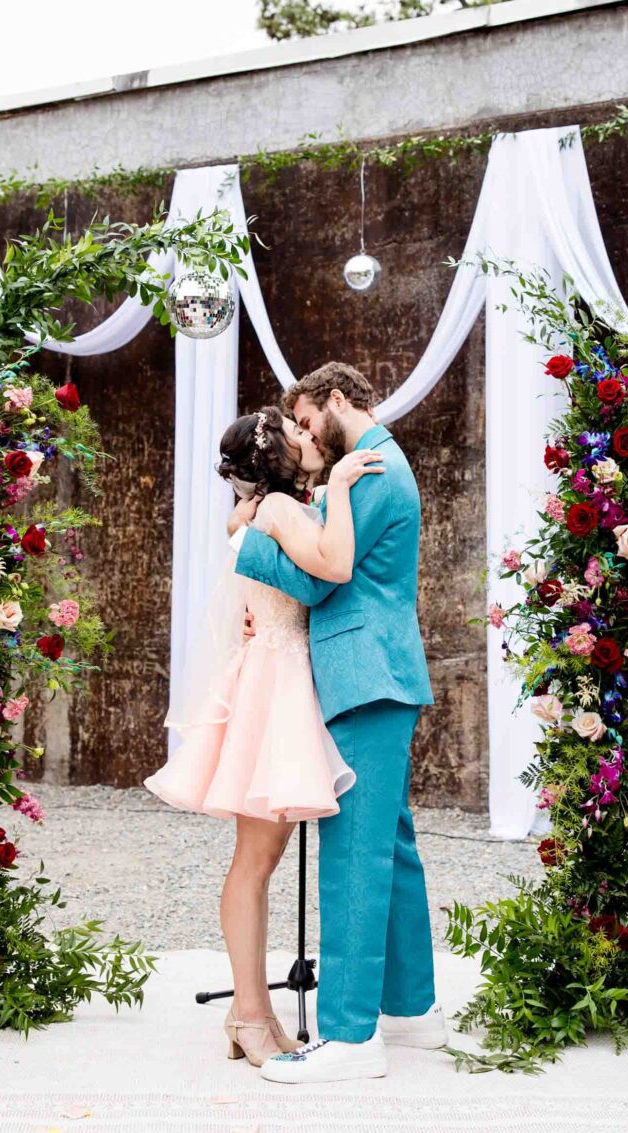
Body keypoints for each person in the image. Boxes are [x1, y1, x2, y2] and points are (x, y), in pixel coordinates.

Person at [146, 405, 382, 1067]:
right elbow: (334, 566)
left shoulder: (263, 510)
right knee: (255, 861)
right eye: (298, 433)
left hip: (276, 676)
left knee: (261, 860)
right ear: (275, 454)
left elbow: (243, 536)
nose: (310, 438)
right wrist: (337, 489)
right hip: (276, 685)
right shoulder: (278, 508)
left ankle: (253, 1009)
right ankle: (248, 1012)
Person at [230, 363, 441, 1085]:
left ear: (338, 402)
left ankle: (352, 1038)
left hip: (364, 674)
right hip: (375, 670)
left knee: (353, 850)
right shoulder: (371, 461)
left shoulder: (373, 466)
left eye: (307, 419)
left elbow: (324, 575)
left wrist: (253, 539)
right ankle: (410, 1007)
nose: (305, 436)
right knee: (393, 843)